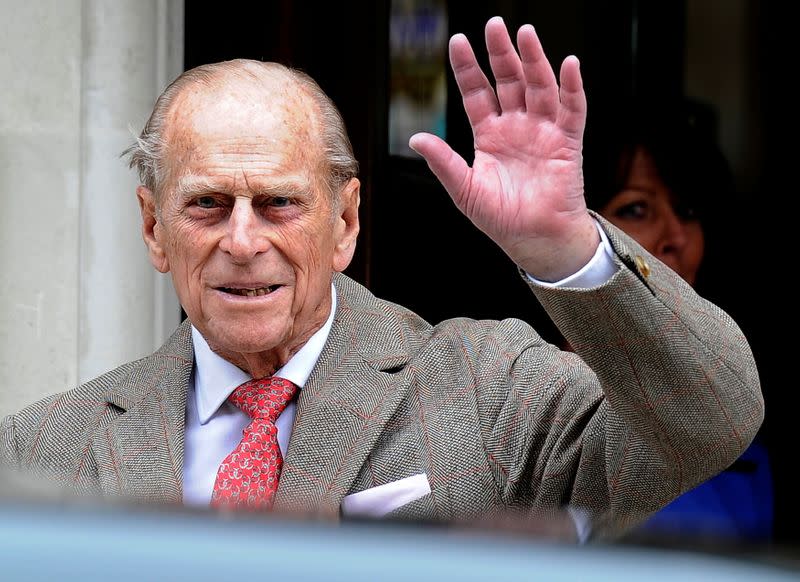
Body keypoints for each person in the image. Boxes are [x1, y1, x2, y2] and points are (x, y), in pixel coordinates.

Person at [0, 17, 762, 542]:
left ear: (345, 222)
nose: (242, 241)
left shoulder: (484, 390)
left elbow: (709, 421)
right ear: (151, 228)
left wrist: (565, 247)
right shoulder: (43, 449)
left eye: (278, 203)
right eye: (206, 205)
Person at [581, 99, 773, 543]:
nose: (676, 236)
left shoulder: (741, 435)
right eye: (636, 209)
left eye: (687, 211)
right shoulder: (508, 399)